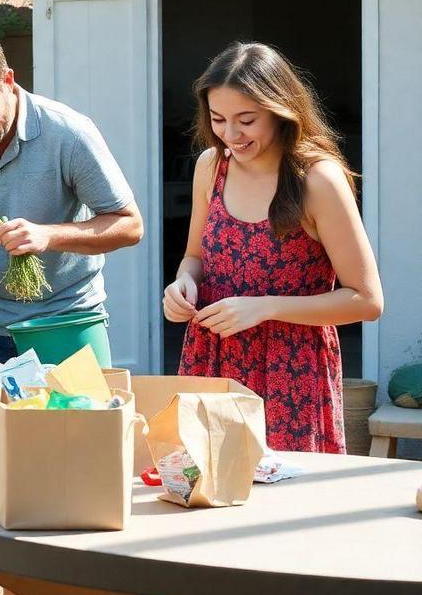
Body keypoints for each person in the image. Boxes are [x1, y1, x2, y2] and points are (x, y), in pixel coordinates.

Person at [163, 42, 383, 453]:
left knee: (284, 502)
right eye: (218, 119)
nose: (231, 134)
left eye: (246, 120)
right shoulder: (210, 167)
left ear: (281, 111)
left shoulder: (318, 180)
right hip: (212, 360)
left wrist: (264, 306)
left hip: (292, 374)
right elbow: (195, 257)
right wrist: (181, 285)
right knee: (204, 500)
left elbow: (367, 300)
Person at [0, 23, 144, 363]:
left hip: (68, 320)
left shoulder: (68, 133)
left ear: (7, 81)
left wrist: (48, 236)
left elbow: (130, 225)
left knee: (79, 417)